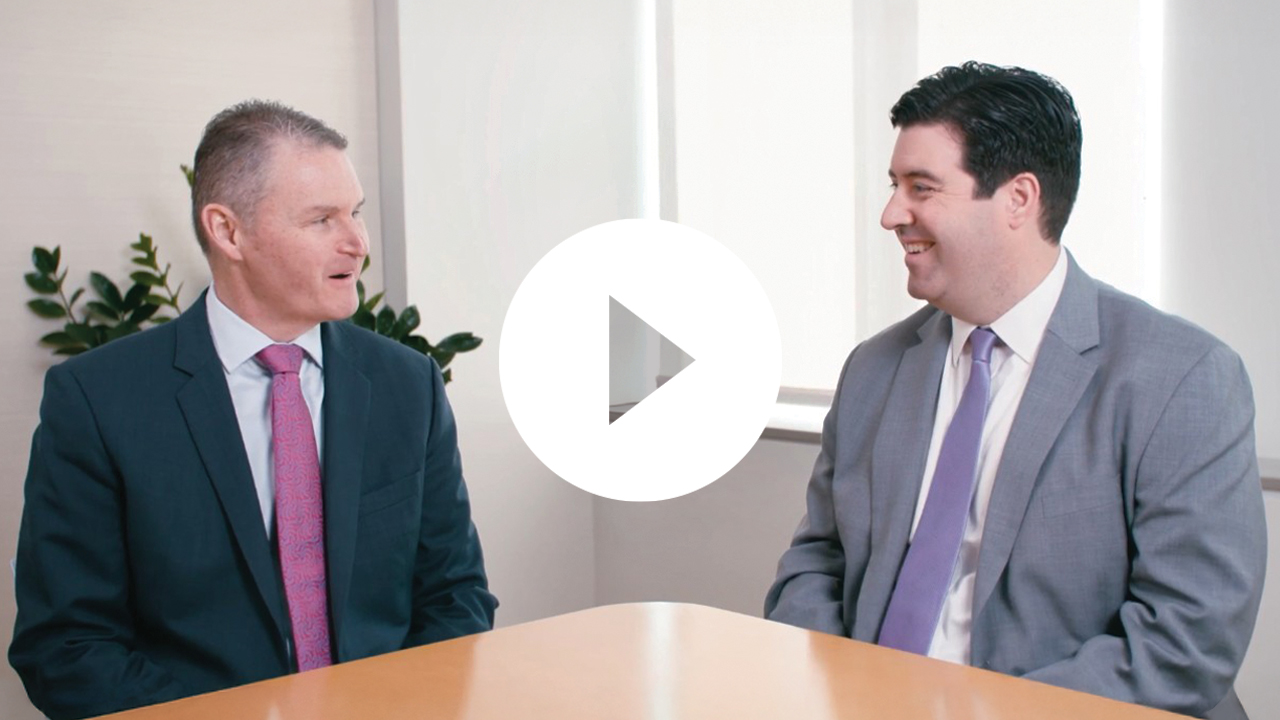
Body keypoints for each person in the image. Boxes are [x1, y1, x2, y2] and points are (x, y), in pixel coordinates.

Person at [764, 62, 1264, 720]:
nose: (891, 214)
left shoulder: (1182, 376)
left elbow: (1184, 645)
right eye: (894, 185)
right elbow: (816, 564)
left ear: (1018, 199)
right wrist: (852, 697)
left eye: (922, 187)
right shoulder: (874, 369)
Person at [10, 100, 497, 720]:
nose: (358, 243)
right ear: (228, 231)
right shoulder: (98, 399)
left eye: (355, 214)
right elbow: (67, 646)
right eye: (321, 219)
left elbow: (455, 597)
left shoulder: (409, 384)